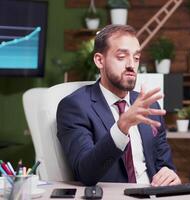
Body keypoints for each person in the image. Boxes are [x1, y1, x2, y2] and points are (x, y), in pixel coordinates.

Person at [57, 24, 181, 186]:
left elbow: (164, 164)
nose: (131, 65)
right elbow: (85, 173)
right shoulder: (74, 107)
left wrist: (170, 175)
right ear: (99, 60)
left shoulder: (149, 106)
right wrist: (122, 126)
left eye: (136, 58)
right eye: (122, 57)